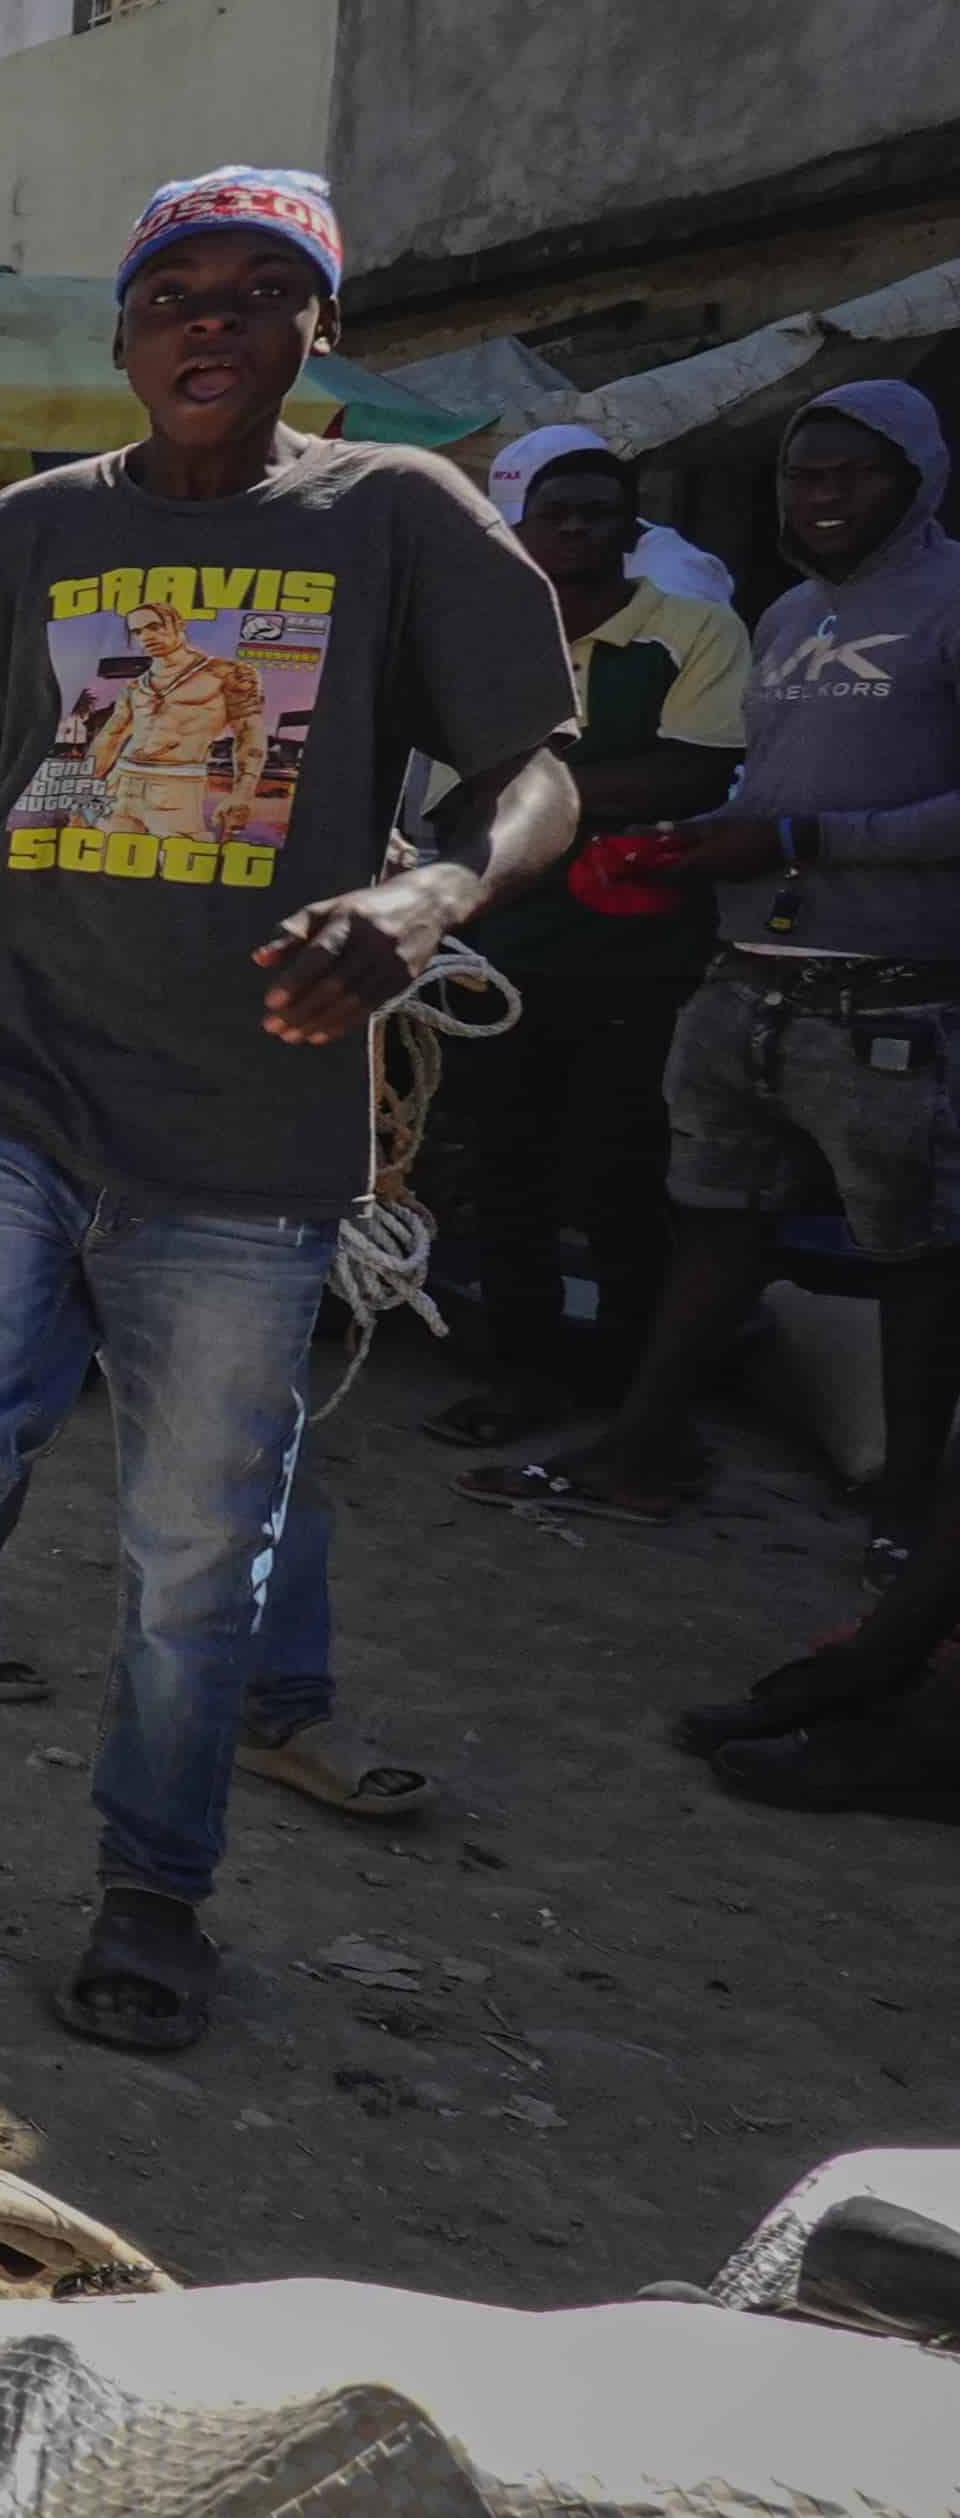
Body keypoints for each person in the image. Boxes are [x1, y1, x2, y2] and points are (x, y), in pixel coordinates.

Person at [0, 167, 578, 2053]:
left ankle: (153, 1882)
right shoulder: (38, 530)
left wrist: (426, 891)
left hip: (249, 1123)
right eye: (174, 293)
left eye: (257, 289)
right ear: (126, 338)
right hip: (4, 1080)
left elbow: (537, 775)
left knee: (200, 1549)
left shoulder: (393, 514)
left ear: (313, 330)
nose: (210, 319)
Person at [473, 381, 960, 1796]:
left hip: (895, 993)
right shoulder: (791, 622)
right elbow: (759, 779)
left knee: (915, 1252)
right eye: (800, 478)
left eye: (849, 479)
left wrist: (798, 832)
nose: (816, 499)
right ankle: (639, 1439)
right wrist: (711, 842)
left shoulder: (943, 603)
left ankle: (902, 1505)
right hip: (748, 972)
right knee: (709, 1214)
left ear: (916, 479)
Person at [414, 433, 749, 1450]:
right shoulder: (481, 642)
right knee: (503, 1168)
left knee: (619, 1173)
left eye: (595, 513)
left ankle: (626, 1385)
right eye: (552, 513)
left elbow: (692, 775)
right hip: (495, 948)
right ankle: (520, 1377)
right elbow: (444, 802)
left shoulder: (691, 631)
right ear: (517, 529)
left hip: (638, 951)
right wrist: (575, 798)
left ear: (629, 528)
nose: (571, 530)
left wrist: (521, 796)